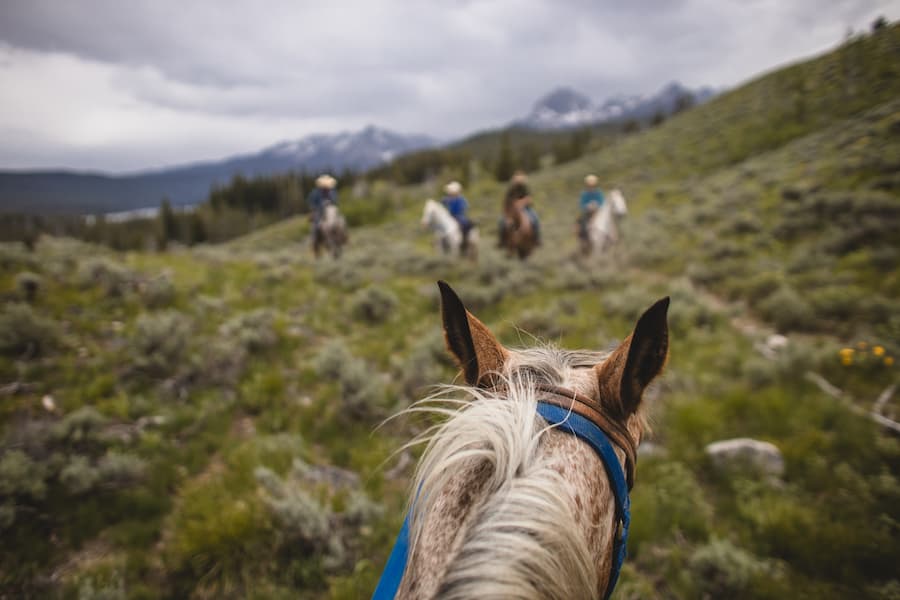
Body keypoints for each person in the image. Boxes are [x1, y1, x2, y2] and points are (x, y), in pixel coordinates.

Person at [499, 171, 541, 247]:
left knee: (535, 218)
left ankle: (537, 239)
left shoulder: (525, 187)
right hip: (512, 210)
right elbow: (506, 201)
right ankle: (502, 241)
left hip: (526, 208)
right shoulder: (511, 189)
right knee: (501, 221)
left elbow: (529, 199)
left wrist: (521, 203)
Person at [441, 181, 474, 250]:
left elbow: (465, 206)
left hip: (459, 216)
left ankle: (464, 240)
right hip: (450, 216)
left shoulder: (460, 199)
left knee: (465, 224)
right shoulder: (447, 199)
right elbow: (442, 204)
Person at [307, 174, 338, 247]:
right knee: (315, 226)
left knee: (340, 221)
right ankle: (314, 241)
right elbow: (311, 202)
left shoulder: (332, 191)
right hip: (319, 211)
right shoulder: (315, 192)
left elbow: (335, 201)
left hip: (331, 210)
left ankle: (342, 238)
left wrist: (330, 203)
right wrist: (315, 208)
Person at [578, 174, 605, 240]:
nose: (591, 187)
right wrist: (588, 206)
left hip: (599, 212)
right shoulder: (584, 194)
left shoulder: (599, 193)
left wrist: (597, 206)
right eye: (589, 185)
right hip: (588, 214)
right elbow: (582, 204)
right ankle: (585, 239)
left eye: (593, 185)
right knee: (583, 224)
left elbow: (602, 202)